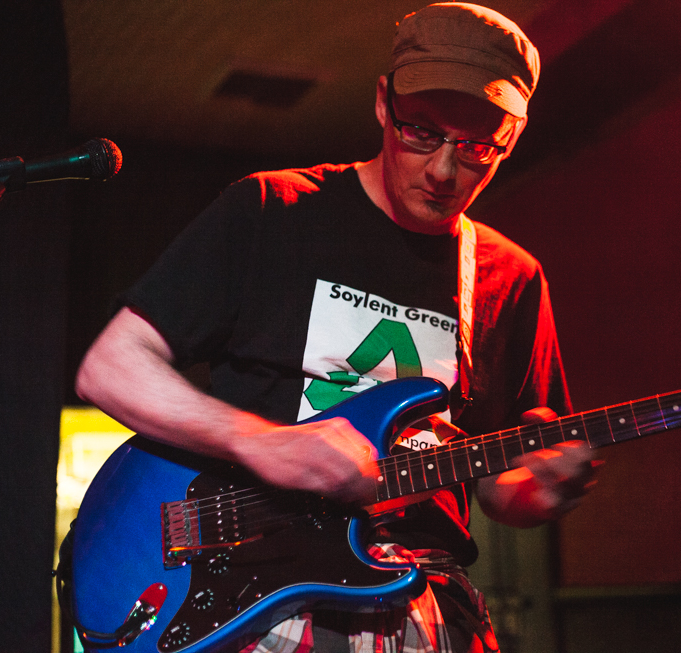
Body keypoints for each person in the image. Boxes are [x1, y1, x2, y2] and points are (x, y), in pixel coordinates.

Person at [75, 3, 594, 651]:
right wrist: (261, 442)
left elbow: (495, 484)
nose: (442, 170)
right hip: (257, 593)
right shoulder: (272, 210)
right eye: (421, 132)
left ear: (512, 137)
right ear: (382, 103)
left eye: (476, 148)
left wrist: (537, 494)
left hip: (421, 596)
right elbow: (111, 368)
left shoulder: (511, 277)